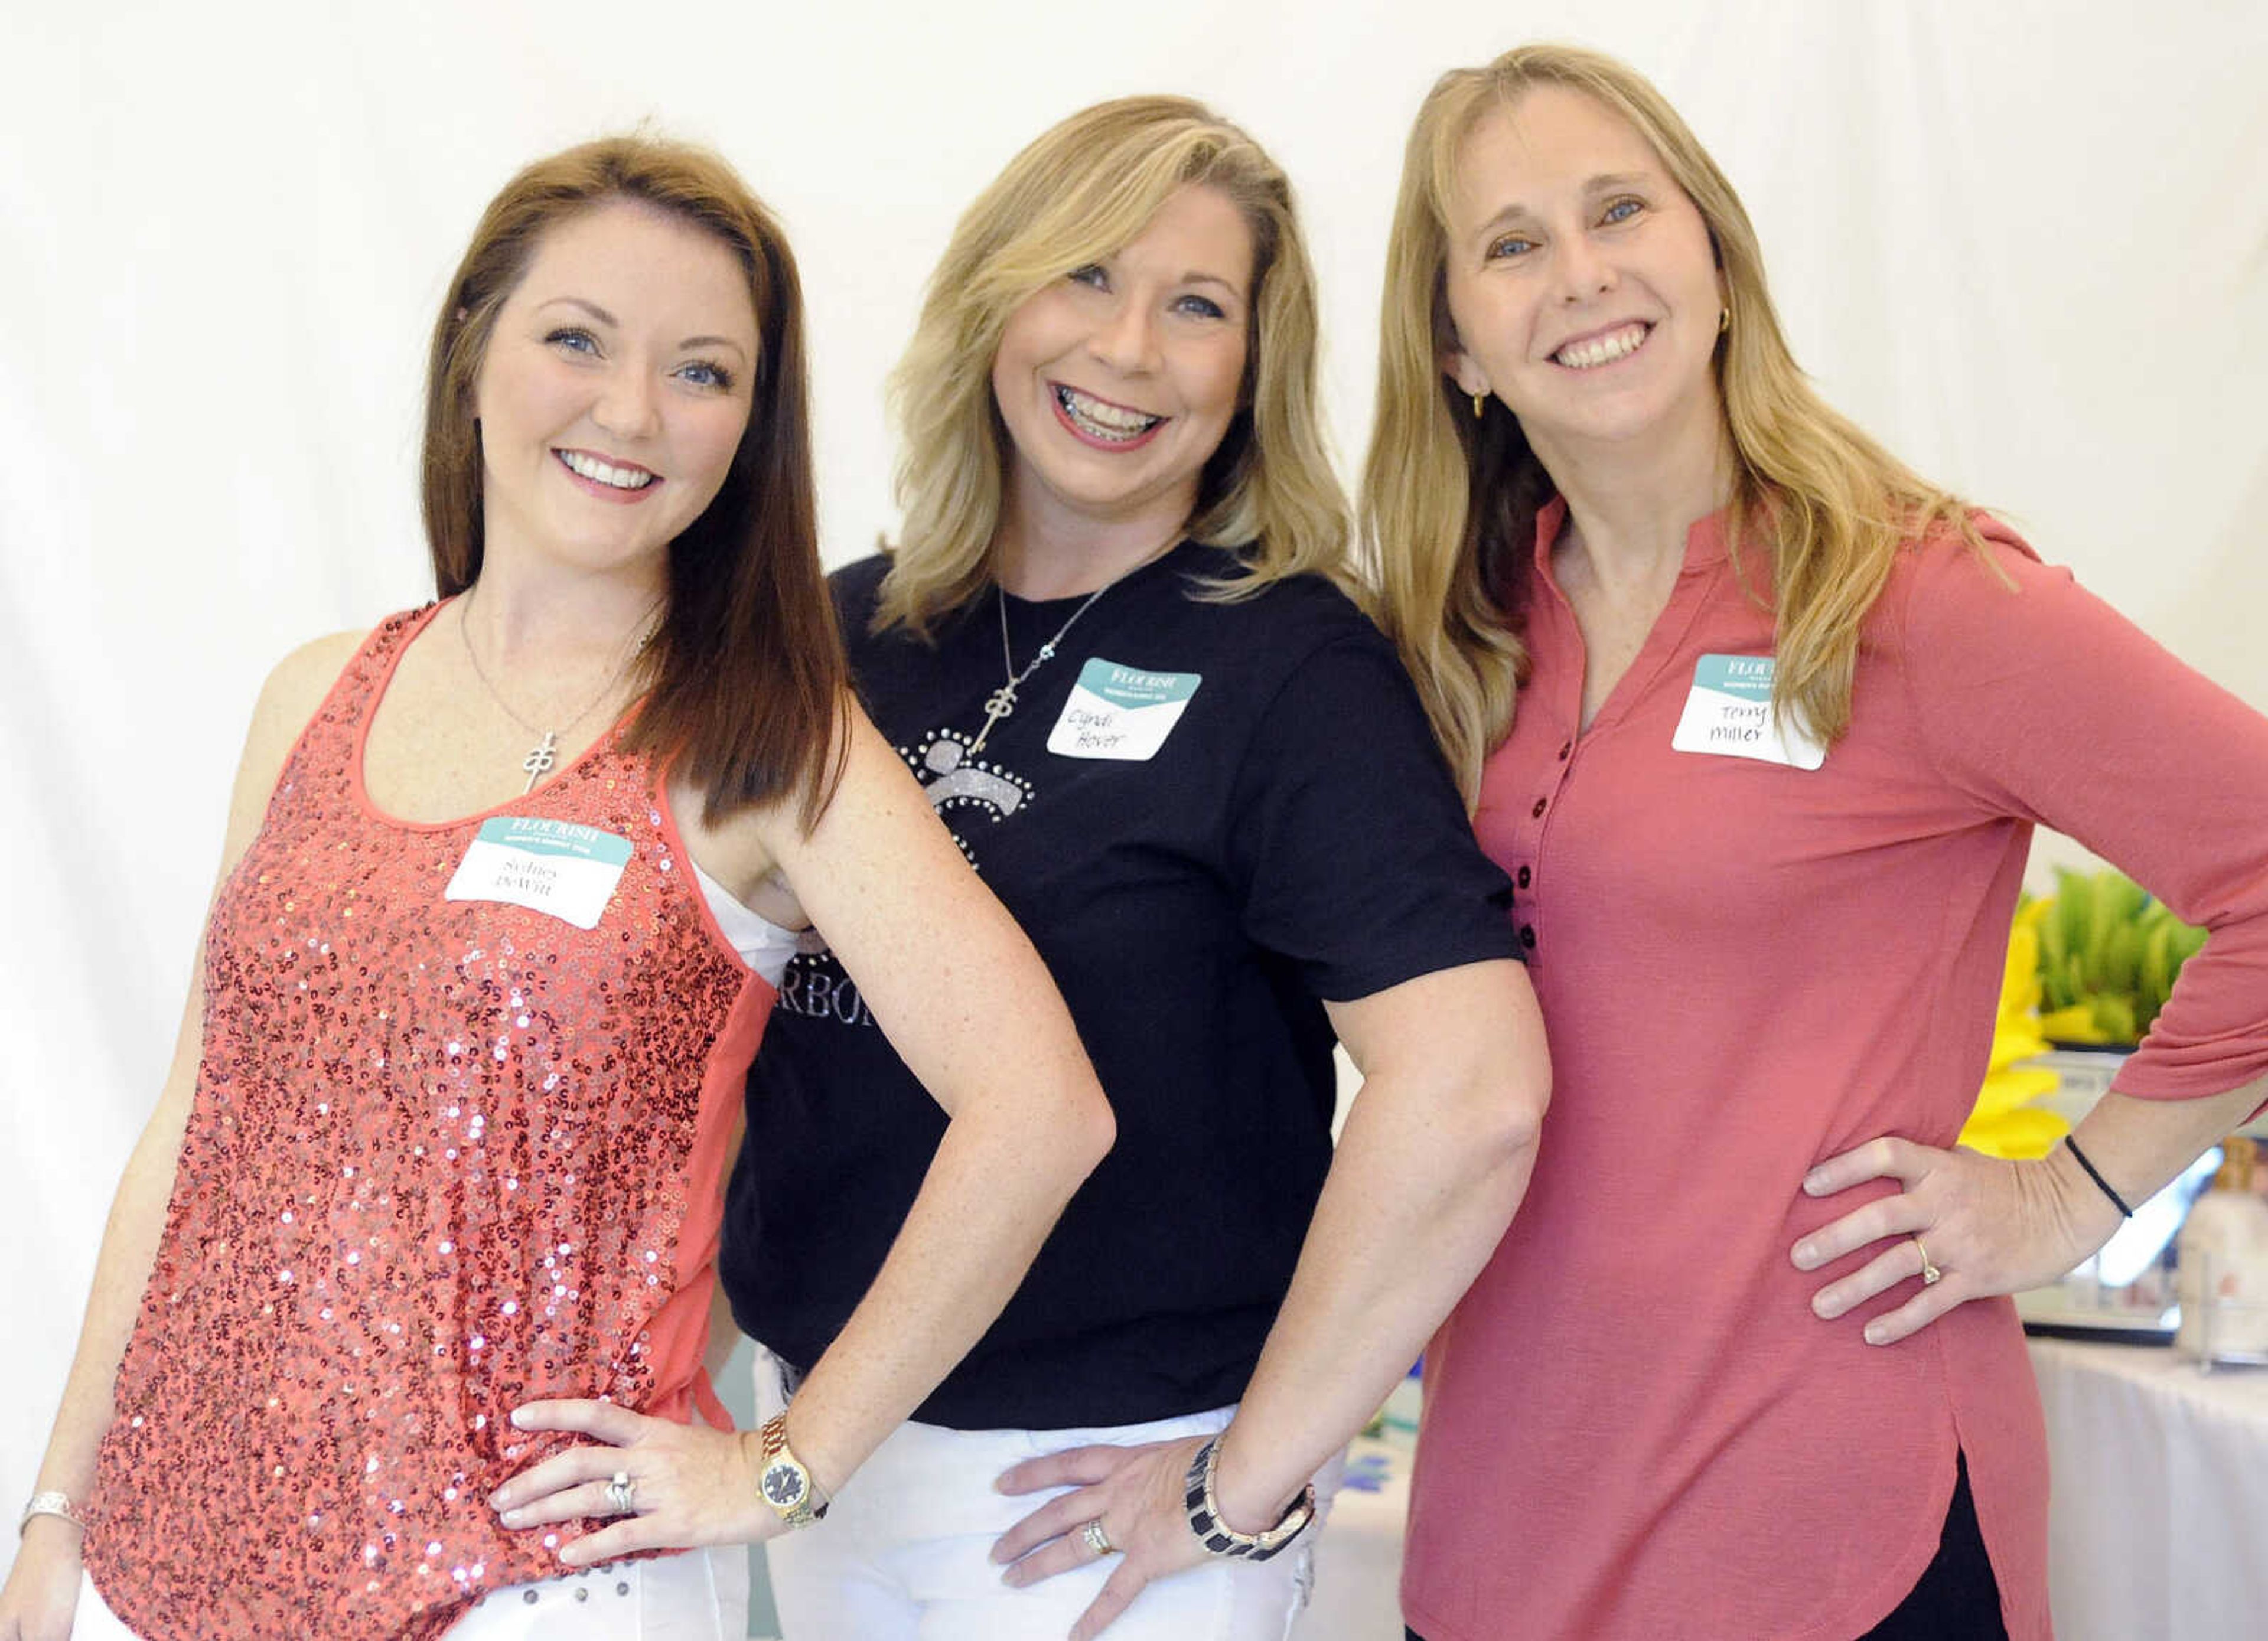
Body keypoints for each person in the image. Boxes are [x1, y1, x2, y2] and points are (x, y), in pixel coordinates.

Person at [0, 135, 1115, 1641]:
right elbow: (194, 1127)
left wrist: (789, 1466)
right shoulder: (316, 693)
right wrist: (58, 1508)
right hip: (164, 1565)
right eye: (577, 339)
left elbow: (1041, 1107)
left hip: (532, 1588)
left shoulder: (762, 741)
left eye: (703, 372)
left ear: (751, 431)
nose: (631, 411)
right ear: (473, 353)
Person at [1362, 42, 2268, 1641]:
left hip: (1833, 1519)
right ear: (1458, 351)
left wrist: (2073, 1197)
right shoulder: (1457, 636)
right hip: (1506, 1519)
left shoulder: (1914, 597)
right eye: (1510, 243)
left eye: (1618, 210)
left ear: (1714, 260)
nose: (1581, 274)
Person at [715, 96, 1550, 1641]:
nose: (1127, 349)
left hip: (1093, 1514)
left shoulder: (1292, 666)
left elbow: (1476, 1094)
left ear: (1252, 367)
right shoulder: (838, 634)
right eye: (1087, 275)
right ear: (995, 296)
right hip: (813, 1449)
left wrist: (1246, 1480)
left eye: (1197, 307)